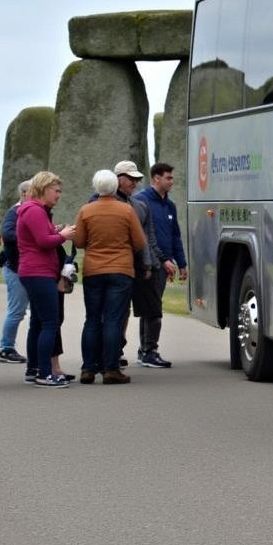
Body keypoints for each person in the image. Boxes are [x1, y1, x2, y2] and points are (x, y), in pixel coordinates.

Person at [75, 170, 146, 385]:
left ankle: (88, 368)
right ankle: (111, 368)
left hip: (93, 269)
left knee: (92, 319)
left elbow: (78, 241)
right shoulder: (126, 210)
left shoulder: (86, 211)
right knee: (114, 320)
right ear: (115, 187)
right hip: (121, 269)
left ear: (96, 187)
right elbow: (139, 242)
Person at [17, 171, 76, 387]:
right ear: (44, 188)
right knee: (50, 323)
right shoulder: (34, 210)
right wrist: (63, 235)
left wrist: (56, 231)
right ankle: (44, 373)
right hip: (38, 272)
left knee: (38, 323)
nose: (59, 195)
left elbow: (40, 236)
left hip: (35, 272)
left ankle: (33, 369)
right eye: (56, 191)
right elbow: (42, 241)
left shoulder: (34, 210)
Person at [133, 162, 188, 367]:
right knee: (153, 309)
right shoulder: (141, 201)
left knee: (151, 306)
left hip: (165, 265)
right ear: (156, 178)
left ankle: (144, 350)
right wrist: (162, 259)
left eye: (172, 178)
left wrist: (181, 263)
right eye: (168, 177)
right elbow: (145, 237)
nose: (171, 181)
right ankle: (149, 351)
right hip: (150, 264)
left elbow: (175, 235)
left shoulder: (170, 205)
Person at [110, 160, 164, 367]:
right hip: (118, 267)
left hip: (140, 267)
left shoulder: (140, 206)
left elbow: (148, 239)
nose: (135, 182)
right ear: (118, 179)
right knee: (119, 311)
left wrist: (150, 265)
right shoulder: (100, 202)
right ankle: (115, 349)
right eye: (130, 178)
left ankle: (149, 350)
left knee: (152, 309)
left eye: (137, 179)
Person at [0, 180, 31, 363]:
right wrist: (32, 236)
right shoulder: (15, 211)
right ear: (25, 194)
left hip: (24, 267)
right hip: (15, 268)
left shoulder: (32, 210)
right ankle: (6, 348)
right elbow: (7, 234)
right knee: (17, 310)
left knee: (23, 310)